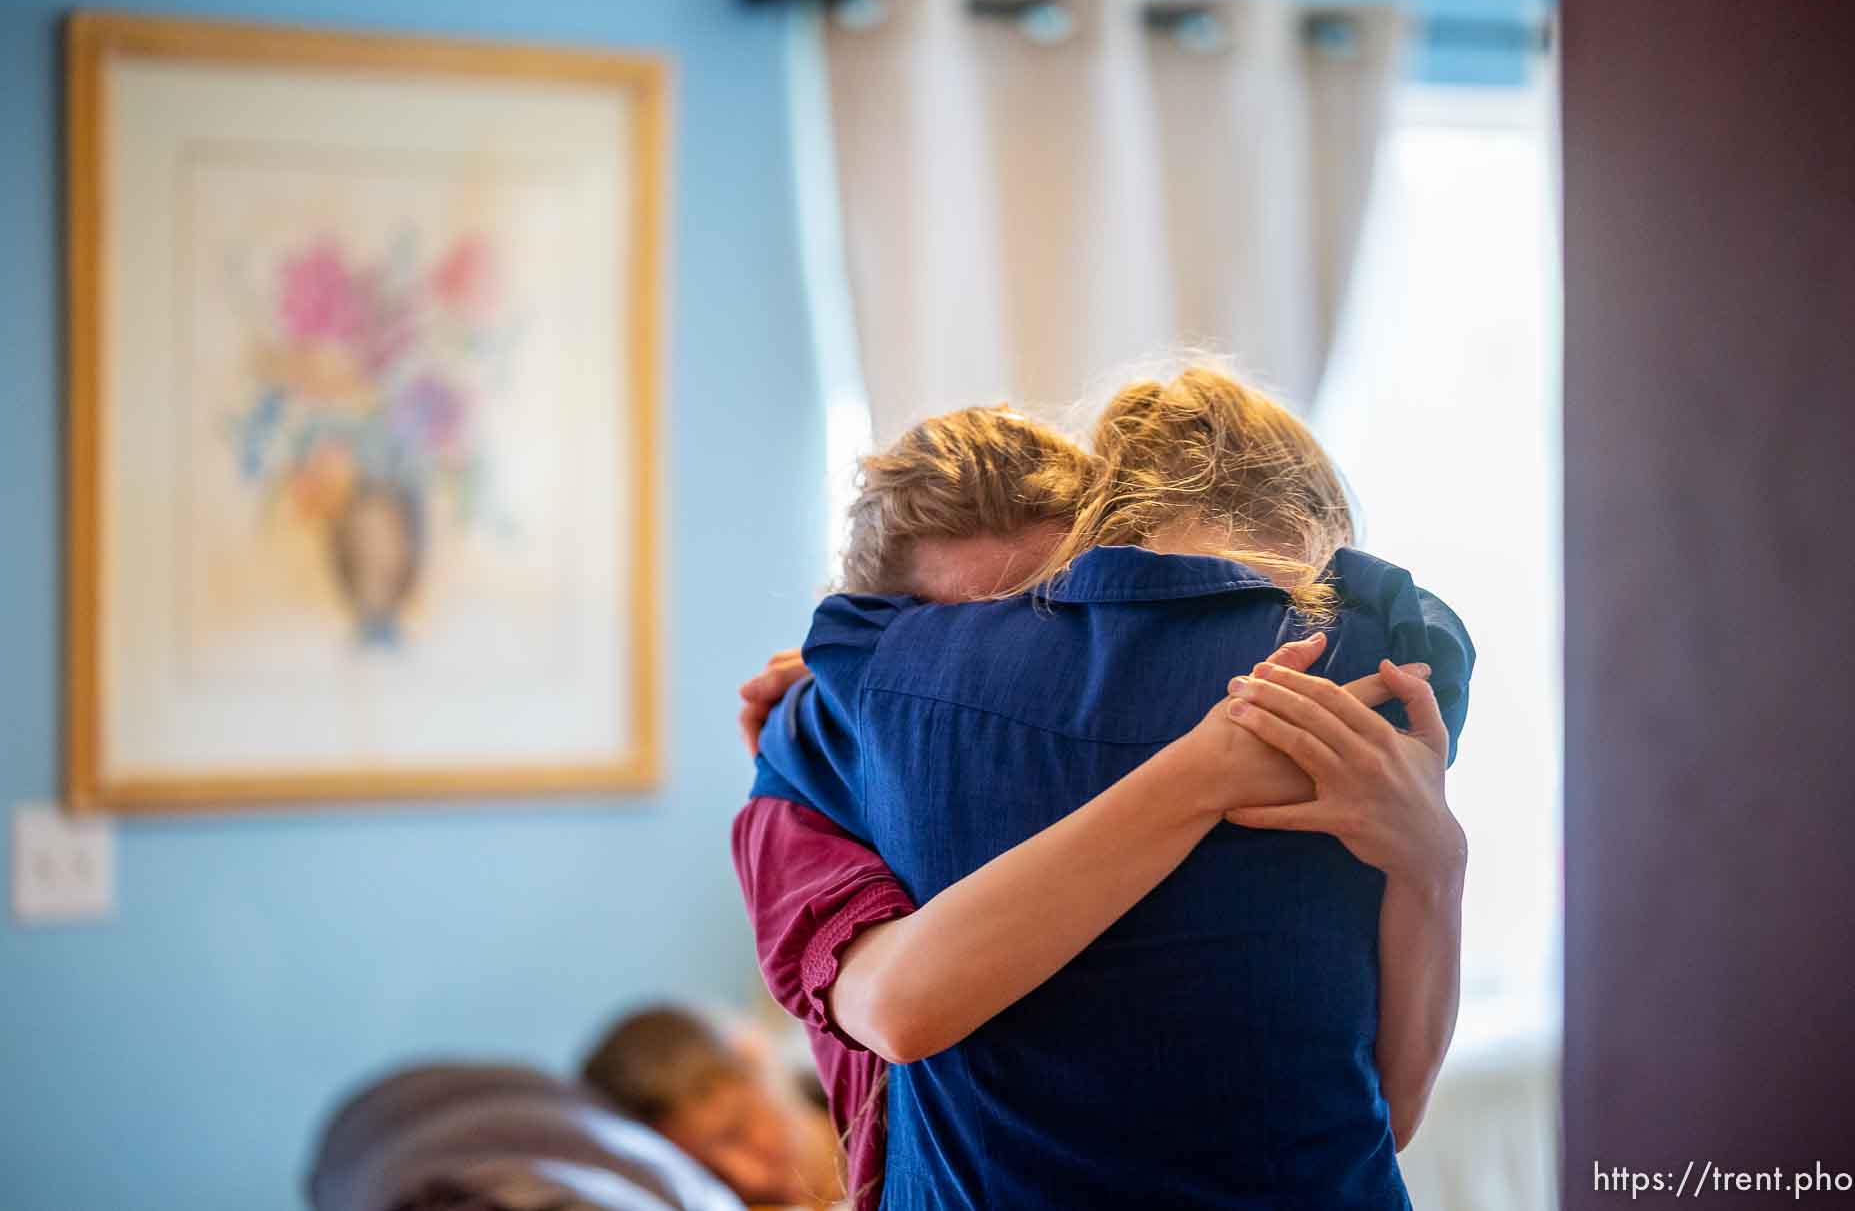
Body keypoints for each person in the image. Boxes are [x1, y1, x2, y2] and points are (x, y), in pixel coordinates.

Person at [736, 371, 1471, 1208]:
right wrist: (1202, 772)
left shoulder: (1332, 757)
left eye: (1042, 614)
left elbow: (1385, 1112)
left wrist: (1437, 863)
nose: (1009, 669)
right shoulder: (801, 796)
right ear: (891, 625)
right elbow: (898, 1009)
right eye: (962, 633)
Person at [581, 1005, 846, 1209]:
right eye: (709, 1175)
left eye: (736, 1131)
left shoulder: (876, 1096)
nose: (747, 1178)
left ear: (753, 1055)